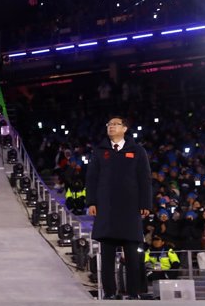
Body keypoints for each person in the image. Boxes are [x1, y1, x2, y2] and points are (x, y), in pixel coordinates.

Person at [86, 115, 152, 300]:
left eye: (116, 124)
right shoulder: (99, 151)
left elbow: (144, 179)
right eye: (109, 124)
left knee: (132, 255)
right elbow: (91, 178)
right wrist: (91, 202)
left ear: (125, 129)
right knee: (107, 255)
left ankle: (133, 292)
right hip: (106, 209)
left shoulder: (137, 151)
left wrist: (145, 203)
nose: (111, 127)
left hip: (130, 209)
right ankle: (109, 293)